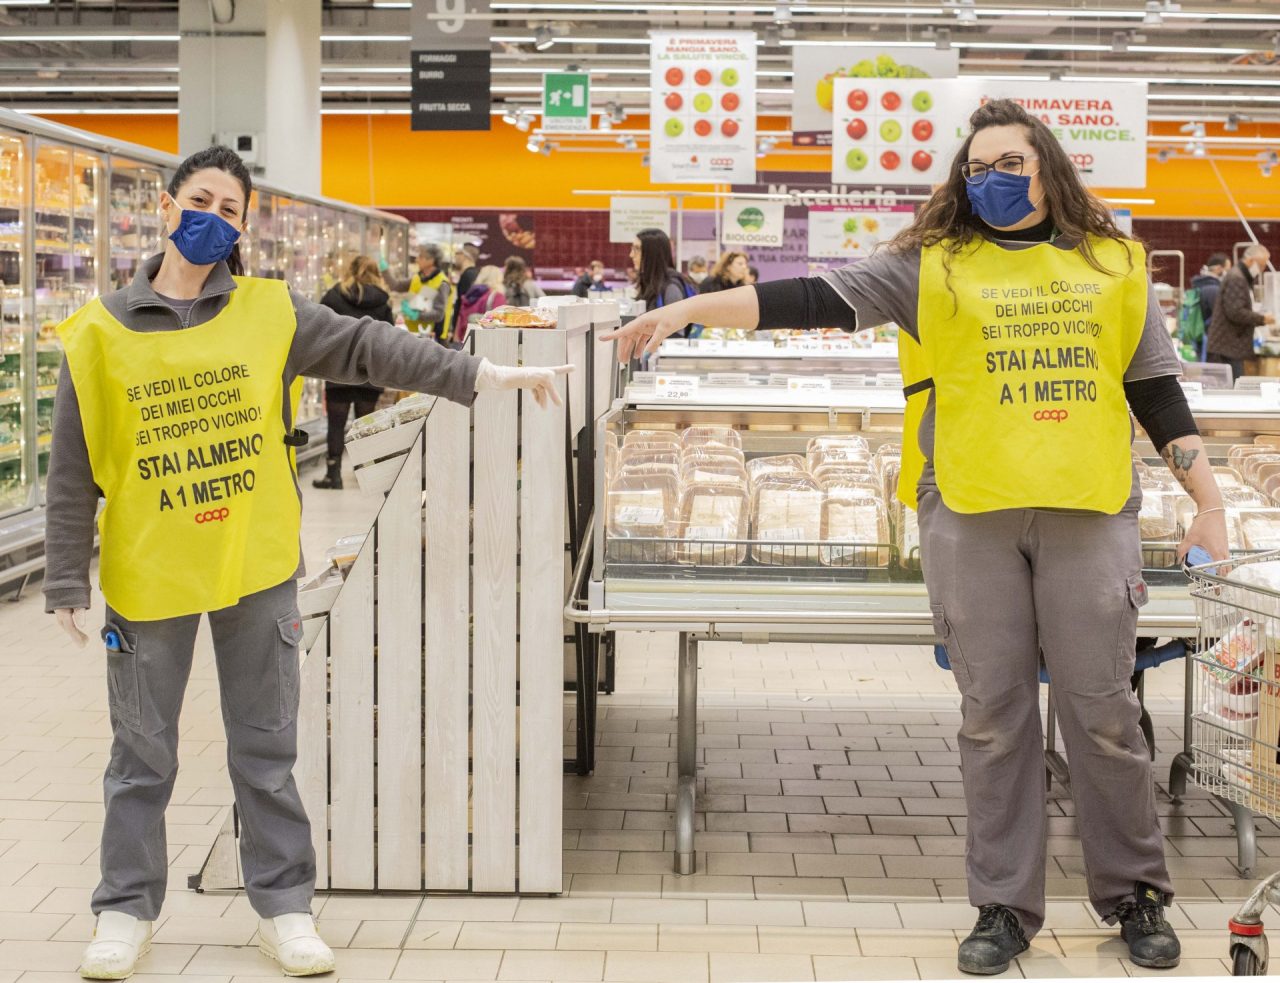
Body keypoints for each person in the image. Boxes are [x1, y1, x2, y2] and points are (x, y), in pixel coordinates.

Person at [603, 98, 1230, 976]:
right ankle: (1004, 905)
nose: (991, 179)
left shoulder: (1116, 263)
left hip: (1090, 511)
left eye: (1009, 163)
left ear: (1048, 167)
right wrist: (685, 310)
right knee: (993, 715)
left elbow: (1156, 390)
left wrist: (1205, 498)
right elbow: (810, 297)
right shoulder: (931, 263)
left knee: (1106, 712)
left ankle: (1134, 892)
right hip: (970, 513)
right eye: (976, 168)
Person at [45, 145, 570, 982]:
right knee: (139, 754)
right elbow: (71, 468)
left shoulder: (270, 312)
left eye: (231, 208)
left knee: (265, 748)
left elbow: (372, 348)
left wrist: (479, 372)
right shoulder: (98, 332)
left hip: (255, 566)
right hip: (150, 576)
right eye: (202, 198)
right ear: (167, 205)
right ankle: (123, 909)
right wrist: (66, 576)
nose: (214, 216)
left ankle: (284, 909)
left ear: (244, 226)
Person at [311, 256, 391, 490]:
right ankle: (365, 475)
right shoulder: (383, 302)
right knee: (364, 424)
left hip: (337, 368)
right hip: (369, 371)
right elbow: (388, 339)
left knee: (336, 424)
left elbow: (320, 327)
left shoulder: (334, 296)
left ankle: (333, 475)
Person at [1206, 243, 1275, 380]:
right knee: (1231, 393)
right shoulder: (1237, 278)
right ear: (1250, 260)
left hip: (1230, 347)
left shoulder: (1240, 276)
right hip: (1227, 349)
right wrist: (1262, 319)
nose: (1261, 270)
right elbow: (1235, 312)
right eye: (1261, 265)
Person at [399, 244, 453, 342]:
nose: (416, 260)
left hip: (432, 338)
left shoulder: (442, 283)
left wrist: (417, 315)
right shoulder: (418, 278)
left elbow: (438, 314)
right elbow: (397, 286)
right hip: (413, 334)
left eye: (421, 257)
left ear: (431, 260)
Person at [632, 228, 695, 313]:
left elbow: (676, 325)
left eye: (637, 249)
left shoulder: (671, 288)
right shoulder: (650, 284)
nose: (631, 255)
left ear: (652, 252)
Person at [455, 264, 506, 341]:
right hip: (484, 341)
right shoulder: (496, 296)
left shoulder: (470, 294)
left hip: (465, 339)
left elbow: (460, 317)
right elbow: (499, 324)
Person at [450, 243, 481, 329]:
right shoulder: (473, 274)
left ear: (464, 255)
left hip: (464, 328)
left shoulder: (469, 275)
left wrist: (457, 331)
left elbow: (465, 306)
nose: (455, 257)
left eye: (457, 253)